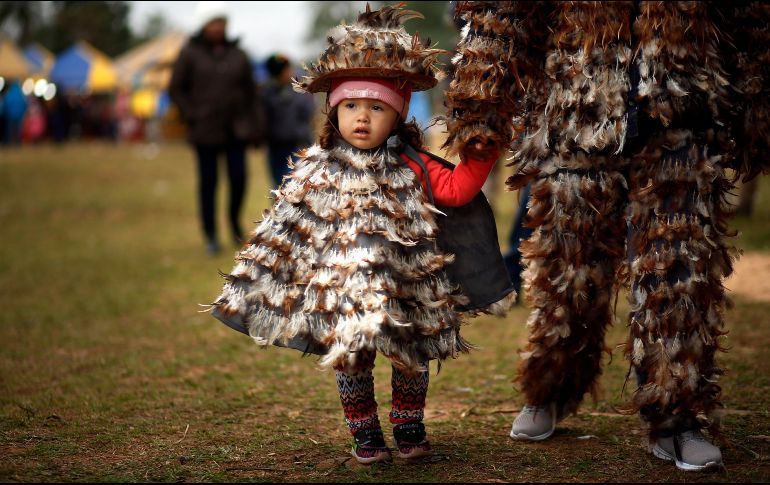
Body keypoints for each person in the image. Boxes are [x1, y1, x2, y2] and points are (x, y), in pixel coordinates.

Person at [445, 1, 768, 473]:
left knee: (679, 278)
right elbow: (503, 17)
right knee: (570, 278)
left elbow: (753, 21)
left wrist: (757, 108)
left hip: (682, 124)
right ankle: (551, 390)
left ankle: (677, 418)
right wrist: (479, 108)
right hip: (578, 121)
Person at [208, 4, 515, 465]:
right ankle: (364, 429)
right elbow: (290, 226)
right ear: (334, 110)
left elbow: (457, 191)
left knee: (409, 349)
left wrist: (482, 150)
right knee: (352, 351)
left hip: (407, 282)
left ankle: (409, 421)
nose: (363, 118)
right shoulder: (318, 167)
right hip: (344, 287)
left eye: (377, 108)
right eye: (351, 106)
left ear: (398, 116)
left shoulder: (412, 161)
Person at [170, 1, 262, 255]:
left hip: (236, 130)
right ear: (204, 24)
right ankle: (210, 234)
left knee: (239, 179)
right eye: (214, 22)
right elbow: (176, 88)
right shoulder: (189, 53)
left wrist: (255, 126)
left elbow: (251, 93)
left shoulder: (238, 54)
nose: (219, 26)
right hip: (205, 131)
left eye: (222, 22)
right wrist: (192, 114)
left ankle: (234, 224)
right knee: (208, 184)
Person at [261, 53, 315, 188]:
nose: (287, 73)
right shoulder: (267, 93)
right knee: (279, 186)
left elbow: (309, 111)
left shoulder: (300, 88)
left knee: (295, 186)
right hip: (276, 147)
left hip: (298, 144)